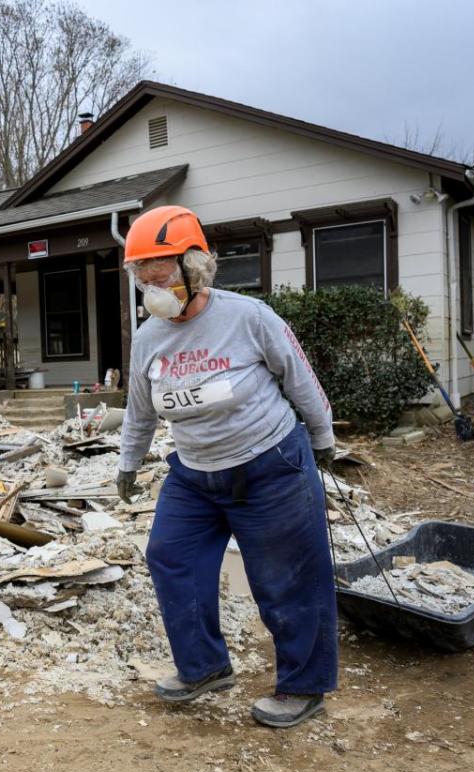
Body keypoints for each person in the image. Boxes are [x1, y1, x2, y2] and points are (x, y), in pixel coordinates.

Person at [116, 205, 338, 728]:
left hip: (271, 465)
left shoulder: (247, 317)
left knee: (286, 577)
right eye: (140, 274)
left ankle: (303, 686)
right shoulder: (149, 338)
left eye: (161, 272)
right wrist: (128, 462)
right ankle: (204, 667)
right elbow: (140, 408)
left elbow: (299, 376)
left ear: (194, 269)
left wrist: (323, 434)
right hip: (194, 474)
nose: (151, 284)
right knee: (170, 557)